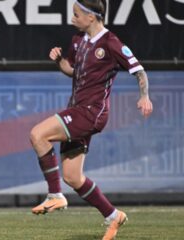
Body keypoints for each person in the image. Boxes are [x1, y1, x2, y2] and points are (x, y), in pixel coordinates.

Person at [29, 0, 153, 239]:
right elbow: (73, 70)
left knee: (38, 134)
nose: (72, 18)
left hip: (91, 112)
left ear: (92, 17)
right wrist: (59, 61)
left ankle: (55, 195)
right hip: (77, 109)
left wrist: (144, 96)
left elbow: (139, 70)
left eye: (76, 14)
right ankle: (113, 215)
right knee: (73, 177)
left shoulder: (111, 42)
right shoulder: (78, 41)